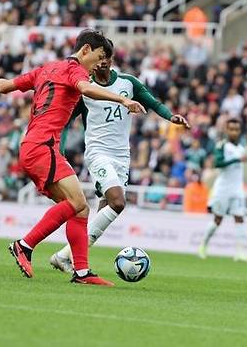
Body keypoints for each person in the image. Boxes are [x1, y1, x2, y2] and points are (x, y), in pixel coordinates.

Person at [0, 29, 145, 286]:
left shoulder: (45, 69)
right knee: (77, 201)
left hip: (32, 146)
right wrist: (122, 99)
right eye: (99, 57)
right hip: (44, 146)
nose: (100, 64)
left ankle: (81, 272)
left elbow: (2, 87)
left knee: (80, 207)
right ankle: (25, 245)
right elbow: (86, 89)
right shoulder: (74, 70)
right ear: (86, 50)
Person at [49, 50, 190, 273]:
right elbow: (65, 121)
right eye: (98, 59)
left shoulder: (128, 83)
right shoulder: (84, 88)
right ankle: (70, 259)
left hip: (121, 156)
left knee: (107, 209)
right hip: (98, 153)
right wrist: (61, 149)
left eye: (105, 59)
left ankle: (64, 256)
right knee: (118, 202)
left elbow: (153, 102)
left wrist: (171, 116)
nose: (101, 63)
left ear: (111, 61)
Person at [198, 118, 247, 262]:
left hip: (237, 189)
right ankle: (203, 245)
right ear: (227, 130)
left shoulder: (241, 148)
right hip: (222, 189)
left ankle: (240, 252)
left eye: (237, 129)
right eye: (231, 129)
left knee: (239, 218)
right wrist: (237, 160)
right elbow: (217, 163)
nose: (234, 132)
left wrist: (239, 159)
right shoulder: (222, 145)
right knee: (218, 219)